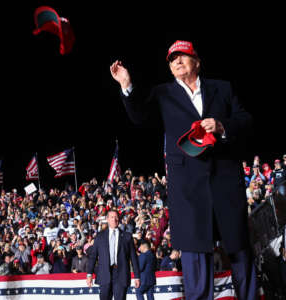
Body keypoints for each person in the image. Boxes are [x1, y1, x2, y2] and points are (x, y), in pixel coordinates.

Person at [110, 40, 257, 300]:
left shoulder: (222, 88)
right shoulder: (163, 93)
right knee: (195, 255)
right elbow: (139, 117)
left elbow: (245, 119)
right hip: (187, 188)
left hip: (224, 179)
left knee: (239, 250)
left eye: (183, 56)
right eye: (172, 58)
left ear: (197, 62)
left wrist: (222, 126)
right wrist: (126, 86)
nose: (177, 61)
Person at [86, 209, 140, 300]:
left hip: (121, 274)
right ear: (107, 219)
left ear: (119, 219)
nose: (114, 219)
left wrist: (137, 276)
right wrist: (89, 274)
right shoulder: (100, 236)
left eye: (116, 217)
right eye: (112, 217)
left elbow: (133, 257)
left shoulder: (127, 236)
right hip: (104, 274)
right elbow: (93, 256)